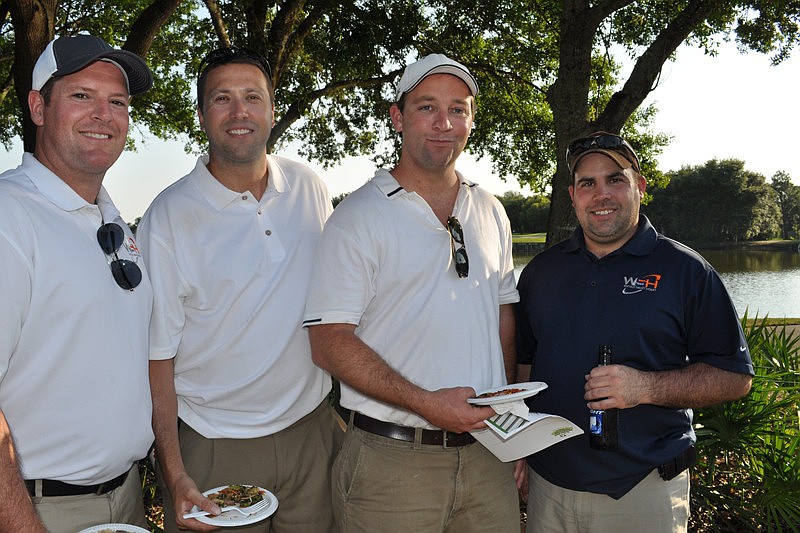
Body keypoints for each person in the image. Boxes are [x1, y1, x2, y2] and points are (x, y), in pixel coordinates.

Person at [303, 53, 523, 533]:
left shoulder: (490, 209)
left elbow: (502, 315)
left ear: (471, 121)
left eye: (458, 109)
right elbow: (328, 342)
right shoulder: (357, 217)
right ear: (398, 118)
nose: (444, 123)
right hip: (391, 465)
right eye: (427, 107)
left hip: (488, 456)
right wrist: (426, 403)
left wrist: (511, 423)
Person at [136, 46, 341, 533]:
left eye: (252, 96)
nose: (239, 111)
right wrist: (175, 471)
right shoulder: (167, 217)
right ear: (201, 114)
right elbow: (156, 359)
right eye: (222, 98)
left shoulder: (309, 187)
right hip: (214, 445)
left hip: (312, 432)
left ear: (271, 108)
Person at [516, 131, 755, 532]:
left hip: (643, 493)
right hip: (549, 490)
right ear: (573, 195)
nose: (601, 194)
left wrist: (645, 387)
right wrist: (519, 445)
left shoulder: (686, 270)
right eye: (587, 183)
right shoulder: (541, 272)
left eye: (615, 179)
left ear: (640, 186)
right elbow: (524, 367)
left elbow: (735, 378)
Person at [0, 34, 155, 532]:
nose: (103, 115)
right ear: (38, 108)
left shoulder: (111, 219)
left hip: (125, 498)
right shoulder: (9, 218)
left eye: (118, 102)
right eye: (82, 96)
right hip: (38, 510)